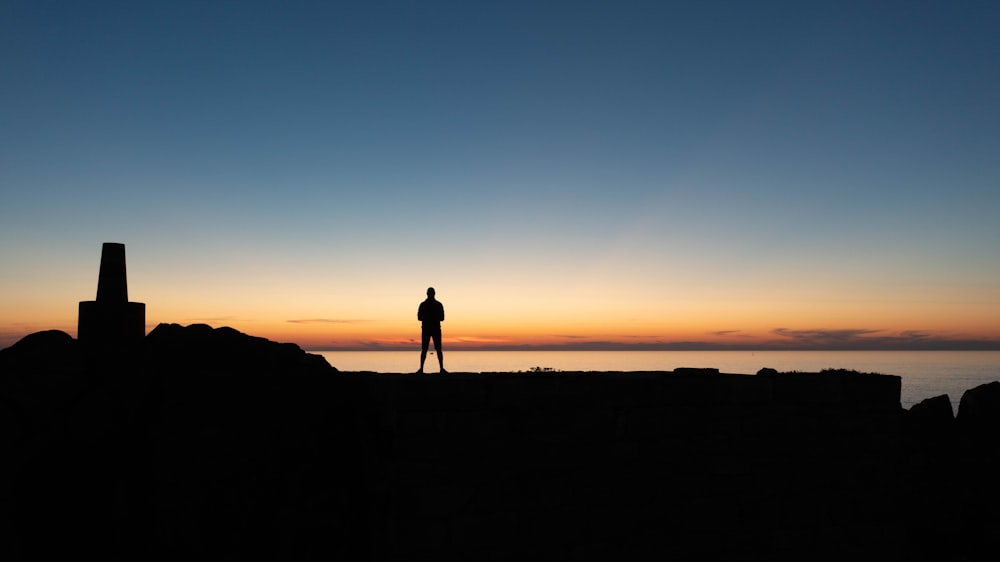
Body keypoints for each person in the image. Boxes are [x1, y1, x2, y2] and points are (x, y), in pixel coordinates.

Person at [417, 287, 446, 373]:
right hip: (431, 329)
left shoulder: (424, 304)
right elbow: (442, 318)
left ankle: (424, 369)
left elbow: (442, 318)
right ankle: (423, 369)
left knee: (430, 349)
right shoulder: (437, 304)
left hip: (431, 329)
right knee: (429, 349)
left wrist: (427, 318)